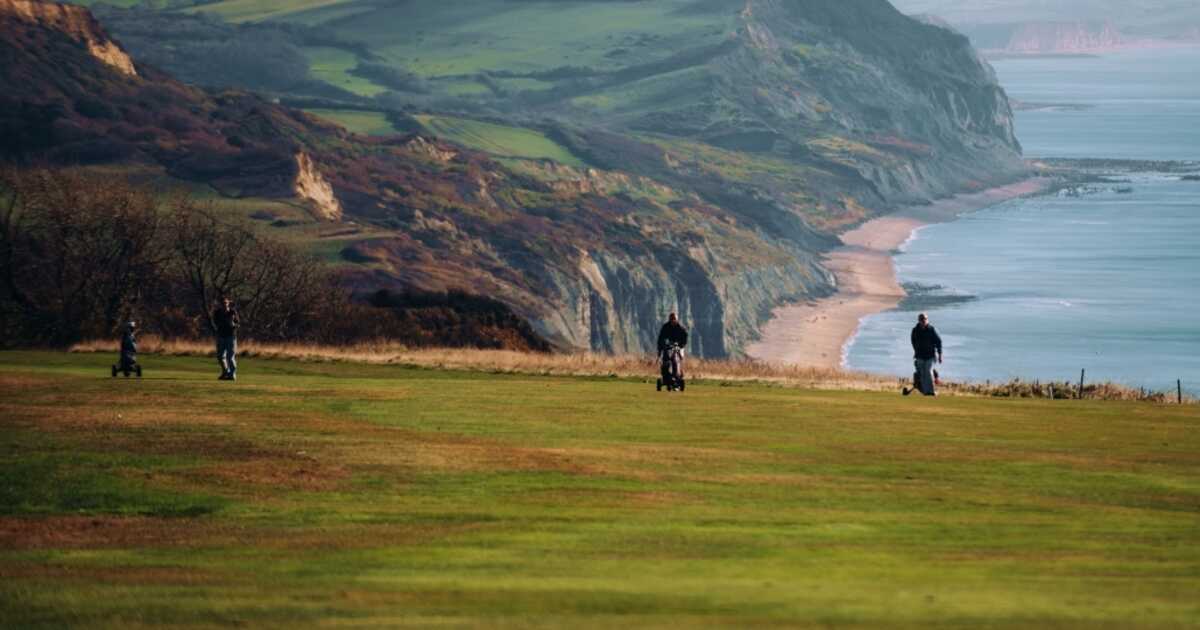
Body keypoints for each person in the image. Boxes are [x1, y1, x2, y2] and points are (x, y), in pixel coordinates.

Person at [904, 312, 943, 396]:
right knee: (921, 373)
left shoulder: (932, 329)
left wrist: (940, 355)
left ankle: (931, 391)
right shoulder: (915, 330)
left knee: (928, 371)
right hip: (920, 355)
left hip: (931, 355)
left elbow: (939, 342)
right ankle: (926, 392)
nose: (924, 321)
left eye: (925, 319)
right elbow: (913, 341)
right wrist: (916, 351)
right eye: (922, 319)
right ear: (919, 320)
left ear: (927, 320)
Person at [656, 312, 689, 389]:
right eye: (671, 319)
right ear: (669, 319)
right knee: (666, 359)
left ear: (677, 319)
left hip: (679, 346)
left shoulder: (681, 328)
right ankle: (666, 376)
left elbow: (685, 338)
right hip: (668, 346)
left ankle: (678, 375)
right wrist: (660, 349)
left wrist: (680, 345)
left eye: (674, 319)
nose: (673, 321)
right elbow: (660, 338)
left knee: (677, 360)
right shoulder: (665, 327)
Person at [212, 296, 240, 381]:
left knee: (230, 357)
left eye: (226, 303)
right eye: (222, 303)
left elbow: (238, 324)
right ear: (220, 304)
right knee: (220, 356)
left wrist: (233, 324)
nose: (224, 305)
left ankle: (232, 374)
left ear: (228, 303)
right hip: (221, 336)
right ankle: (225, 372)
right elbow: (216, 323)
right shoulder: (217, 313)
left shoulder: (232, 312)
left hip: (231, 336)